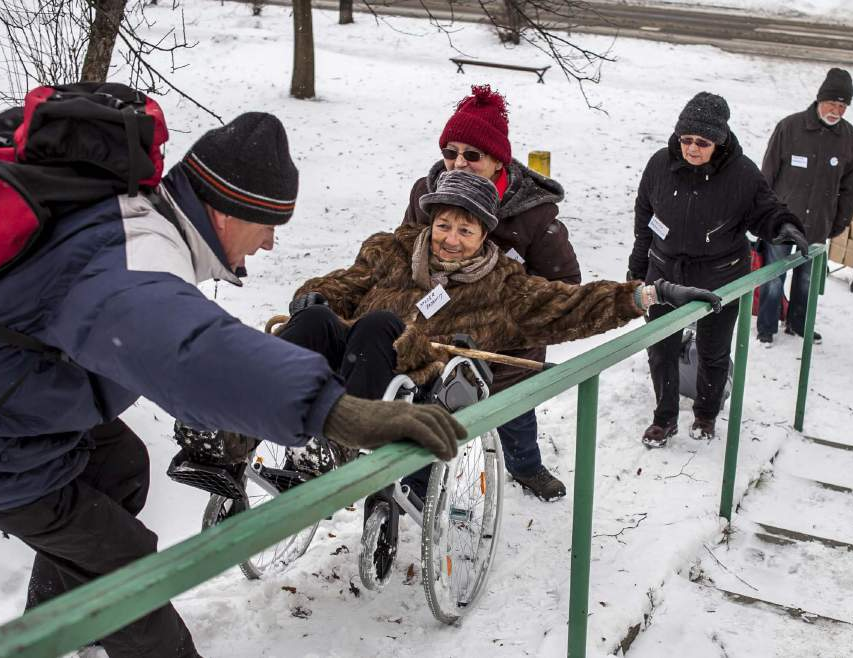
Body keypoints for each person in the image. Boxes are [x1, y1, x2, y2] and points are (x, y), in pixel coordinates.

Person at [0, 113, 465, 658]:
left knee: (121, 464)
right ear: (228, 210)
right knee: (127, 565)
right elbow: (190, 349)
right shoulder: (142, 253)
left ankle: (61, 626)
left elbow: (177, 330)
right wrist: (336, 411)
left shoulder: (136, 215)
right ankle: (70, 634)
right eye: (269, 225)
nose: (269, 244)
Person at [291, 170, 722, 487]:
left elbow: (569, 304)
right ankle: (235, 437)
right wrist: (314, 295)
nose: (451, 239)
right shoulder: (392, 249)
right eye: (443, 225)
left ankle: (343, 441)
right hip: (352, 356)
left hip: (416, 379)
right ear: (430, 222)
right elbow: (347, 283)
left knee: (379, 325)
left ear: (484, 235)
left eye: (465, 230)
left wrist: (648, 294)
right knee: (312, 319)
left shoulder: (502, 285)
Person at [401, 84, 579, 502]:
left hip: (507, 349)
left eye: (472, 155)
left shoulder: (532, 213)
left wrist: (510, 313)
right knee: (429, 410)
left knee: (514, 412)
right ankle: (420, 488)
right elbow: (402, 254)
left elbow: (565, 287)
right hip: (440, 333)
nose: (458, 163)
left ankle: (526, 466)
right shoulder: (425, 193)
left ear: (499, 159)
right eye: (450, 152)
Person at [630, 92, 808, 447]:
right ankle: (664, 418)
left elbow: (766, 210)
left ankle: (706, 413)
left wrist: (785, 227)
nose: (692, 149)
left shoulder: (741, 174)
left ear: (719, 141)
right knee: (660, 348)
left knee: (713, 350)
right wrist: (638, 266)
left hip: (720, 277)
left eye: (702, 142)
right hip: (665, 273)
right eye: (686, 140)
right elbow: (644, 219)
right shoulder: (659, 165)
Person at [758, 67, 853, 345]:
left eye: (842, 106)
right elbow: (766, 175)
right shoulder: (790, 127)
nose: (836, 111)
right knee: (773, 277)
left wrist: (840, 221)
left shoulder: (850, 138)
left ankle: (798, 324)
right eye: (832, 103)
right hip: (781, 222)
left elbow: (850, 186)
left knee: (806, 281)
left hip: (817, 224)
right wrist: (761, 214)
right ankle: (766, 328)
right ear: (819, 99)